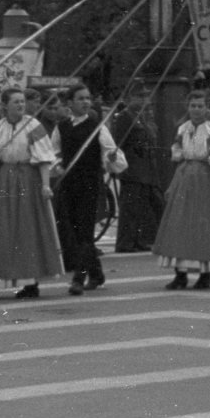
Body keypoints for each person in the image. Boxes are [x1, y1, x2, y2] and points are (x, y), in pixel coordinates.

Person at [0, 89, 65, 301]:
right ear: (5, 105)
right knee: (0, 232)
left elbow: (43, 159)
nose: (21, 105)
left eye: (22, 101)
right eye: (16, 102)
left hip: (28, 180)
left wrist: (45, 185)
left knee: (26, 231)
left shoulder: (33, 126)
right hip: (4, 180)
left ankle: (30, 283)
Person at [52, 85, 126, 294]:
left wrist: (111, 159)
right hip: (68, 185)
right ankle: (96, 273)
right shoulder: (61, 127)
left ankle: (78, 277)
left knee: (84, 230)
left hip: (89, 184)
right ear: (70, 103)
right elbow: (53, 152)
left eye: (88, 98)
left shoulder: (98, 127)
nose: (86, 102)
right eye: (80, 99)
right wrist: (58, 167)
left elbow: (111, 153)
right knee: (76, 232)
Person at [155, 89, 210, 289]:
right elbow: (178, 155)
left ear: (207, 109)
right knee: (179, 224)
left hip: (205, 178)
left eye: (200, 106)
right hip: (185, 177)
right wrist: (173, 184)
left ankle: (205, 274)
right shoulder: (183, 128)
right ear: (188, 108)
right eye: (193, 106)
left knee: (202, 225)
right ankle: (180, 273)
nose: (196, 110)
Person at [112, 92, 164, 253]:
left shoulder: (139, 116)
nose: (142, 100)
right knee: (130, 209)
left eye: (144, 97)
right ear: (129, 98)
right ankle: (125, 243)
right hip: (132, 169)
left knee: (141, 208)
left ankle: (138, 241)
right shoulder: (124, 117)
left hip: (145, 169)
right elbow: (117, 143)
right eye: (139, 96)